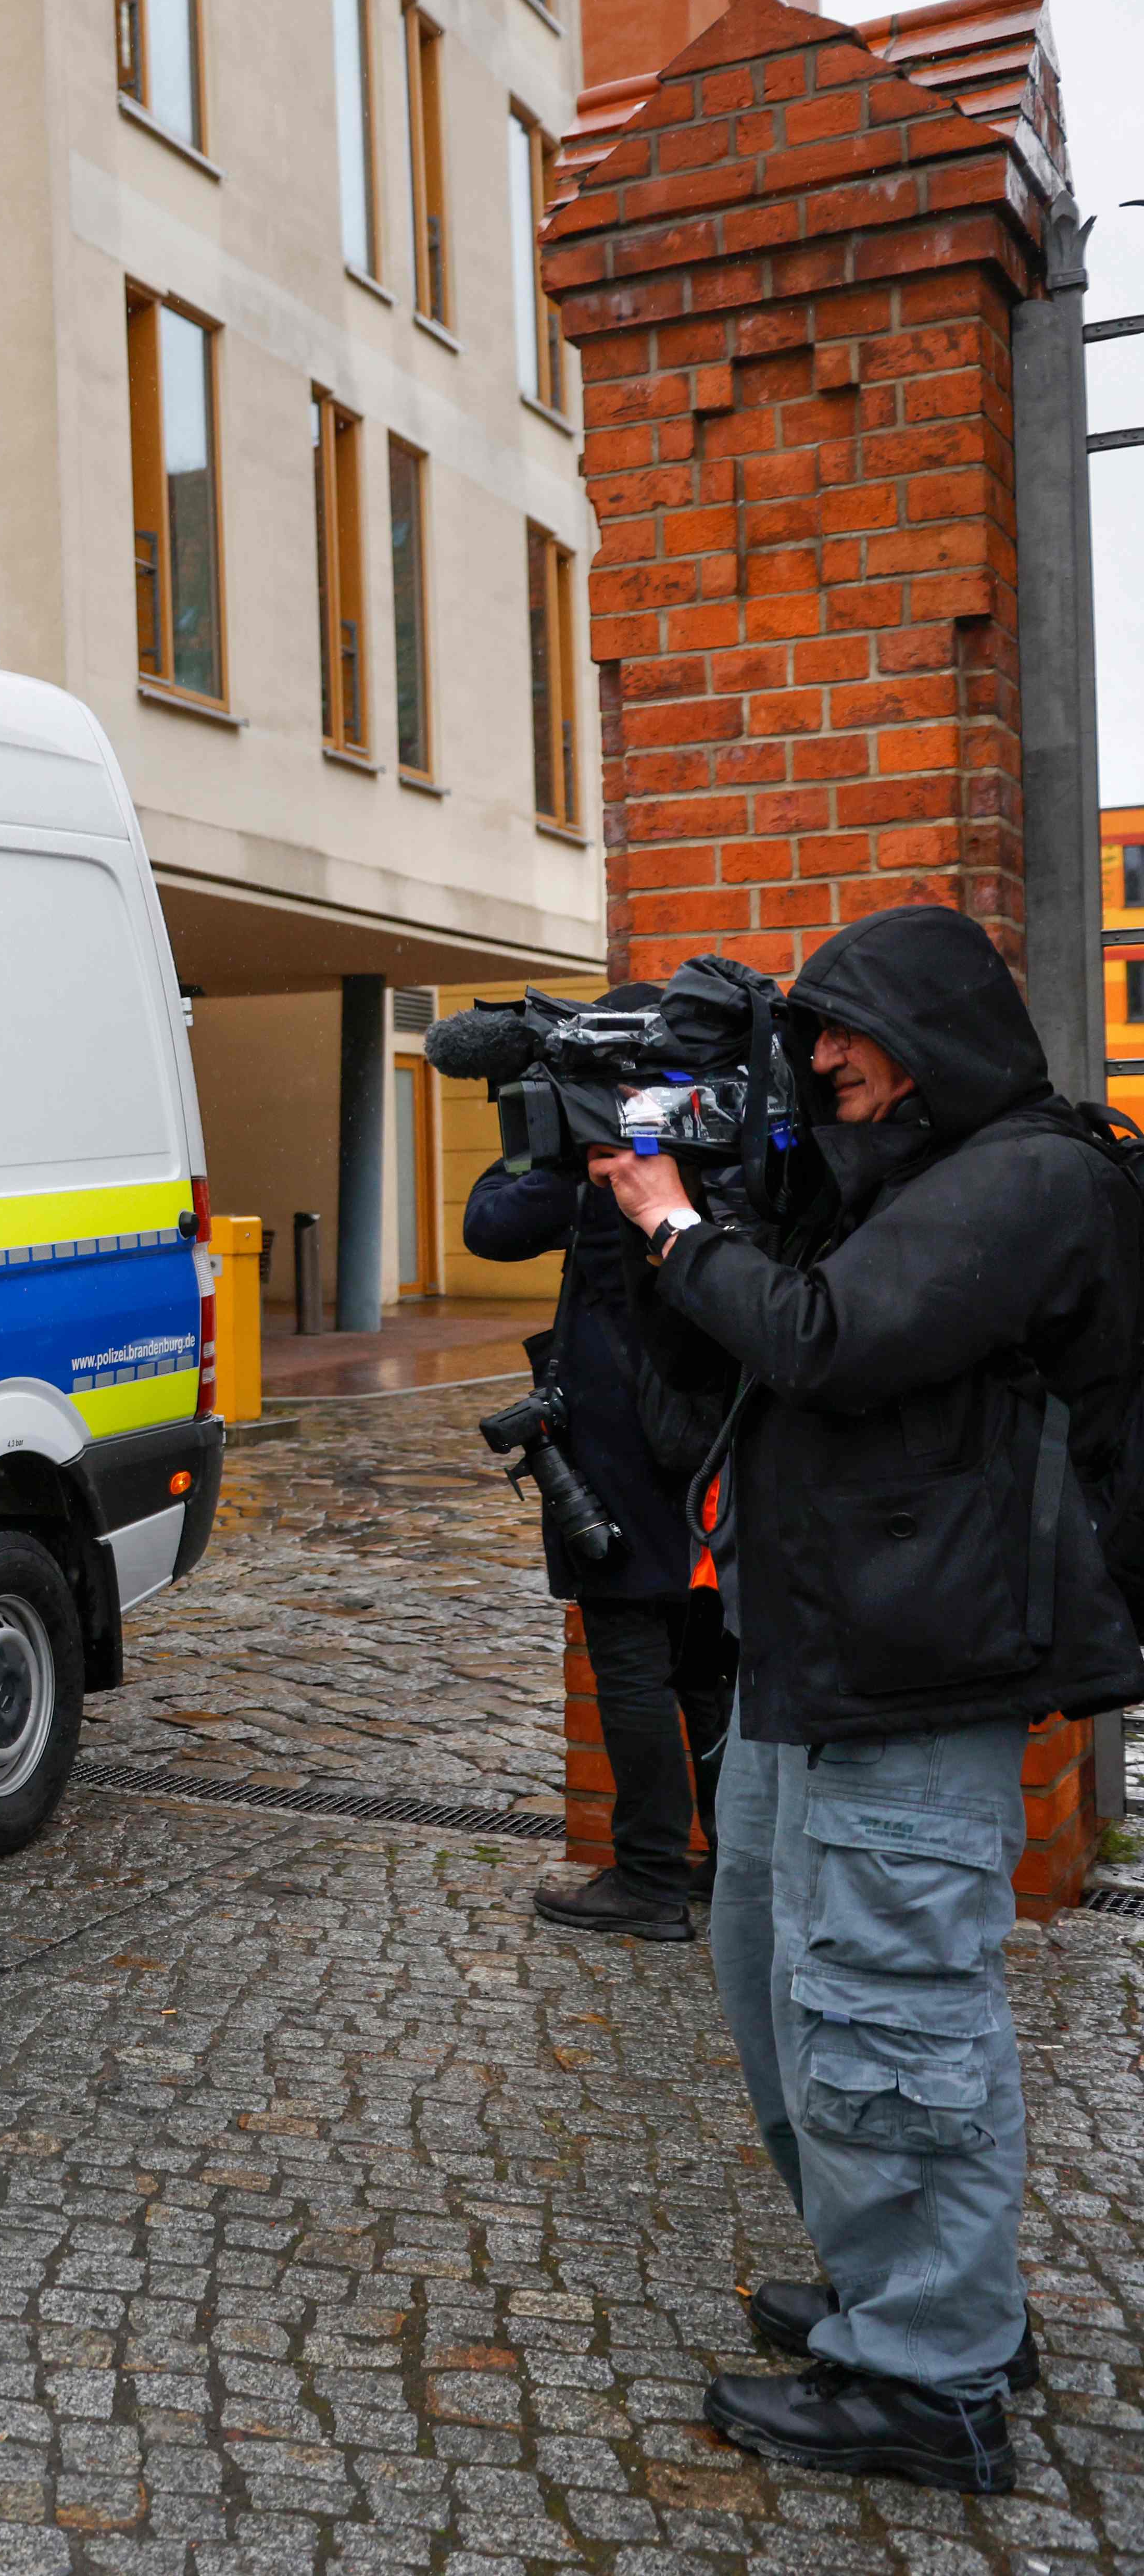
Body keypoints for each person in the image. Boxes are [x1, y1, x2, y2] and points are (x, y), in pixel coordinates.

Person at [599, 903, 1144, 2492]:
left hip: (921, 1664)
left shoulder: (1036, 1180)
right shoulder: (926, 1180)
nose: (823, 1057)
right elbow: (761, 1363)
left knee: (891, 2010)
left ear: (933, 1040)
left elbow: (824, 1339)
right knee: (779, 1972)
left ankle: (935, 2377)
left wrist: (673, 1225)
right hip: (826, 1650)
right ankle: (903, 2284)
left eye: (850, 1031)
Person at [461, 982, 736, 1943]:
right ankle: (731, 1873)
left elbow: (489, 1225)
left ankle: (650, 1879)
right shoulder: (723, 1121)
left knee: (630, 1654)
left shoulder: (605, 1152)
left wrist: (557, 1137)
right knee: (706, 1658)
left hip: (626, 1432)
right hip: (717, 1426)